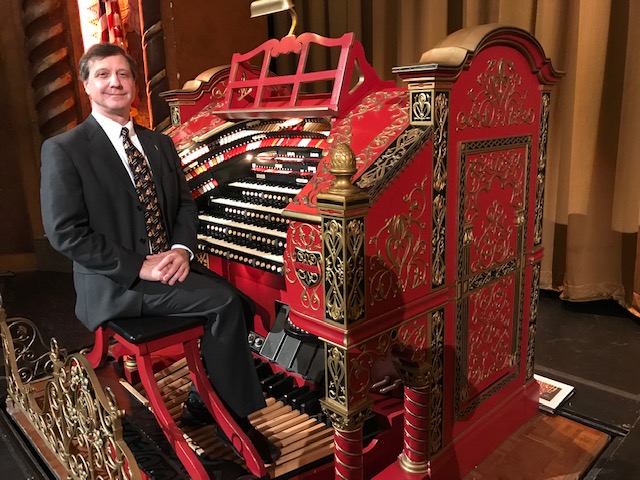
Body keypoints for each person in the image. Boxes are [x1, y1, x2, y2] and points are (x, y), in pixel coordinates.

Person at [39, 42, 280, 466]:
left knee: (241, 303)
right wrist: (140, 266)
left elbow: (186, 205)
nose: (115, 82)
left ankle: (203, 400)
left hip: (168, 267)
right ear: (87, 85)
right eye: (103, 75)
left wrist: (183, 250)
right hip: (116, 283)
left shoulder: (158, 143)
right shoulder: (65, 149)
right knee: (224, 303)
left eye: (123, 74)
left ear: (134, 84)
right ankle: (236, 422)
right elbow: (65, 234)